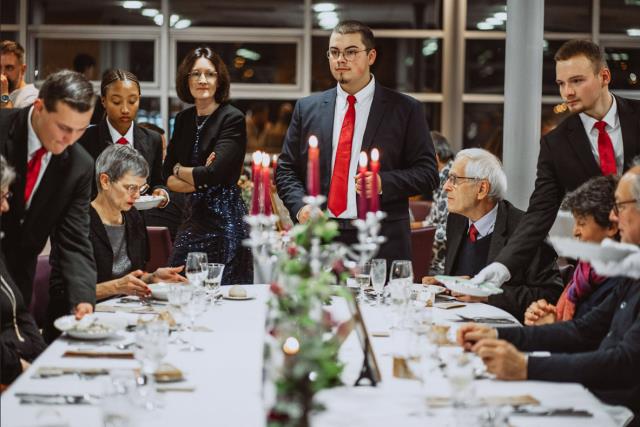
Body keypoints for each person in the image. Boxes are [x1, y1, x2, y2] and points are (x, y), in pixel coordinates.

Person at [456, 167, 640, 421]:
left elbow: (624, 363)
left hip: (617, 413)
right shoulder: (631, 271)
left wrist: (524, 367)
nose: (613, 216)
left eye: (620, 206)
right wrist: (498, 333)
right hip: (593, 396)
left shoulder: (625, 270)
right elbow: (583, 330)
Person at [473, 39, 640, 290]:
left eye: (577, 81)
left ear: (604, 76)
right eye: (561, 83)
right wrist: (502, 266)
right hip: (593, 266)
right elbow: (539, 213)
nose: (567, 92)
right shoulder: (556, 144)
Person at [276, 21, 438, 263]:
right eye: (334, 52)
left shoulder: (405, 109)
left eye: (351, 52)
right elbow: (286, 170)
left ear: (371, 56)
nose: (341, 59)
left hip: (381, 238)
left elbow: (428, 174)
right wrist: (301, 208)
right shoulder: (307, 108)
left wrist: (384, 182)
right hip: (322, 236)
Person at [0, 70, 97, 341]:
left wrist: (83, 298)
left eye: (81, 130)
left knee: (31, 357)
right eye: (64, 128)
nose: (70, 139)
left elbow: (75, 239)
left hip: (19, 279)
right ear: (39, 106)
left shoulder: (79, 165)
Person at [422, 149, 563, 320]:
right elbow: (469, 279)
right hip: (458, 321)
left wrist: (487, 295)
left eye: (454, 179)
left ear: (482, 189)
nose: (445, 187)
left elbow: (551, 294)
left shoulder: (525, 230)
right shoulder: (457, 220)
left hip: (504, 330)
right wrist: (446, 283)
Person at [163, 46, 252, 285]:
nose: (203, 80)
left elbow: (213, 173)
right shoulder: (182, 120)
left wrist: (180, 170)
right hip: (193, 218)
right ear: (187, 79)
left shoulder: (232, 118)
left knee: (224, 295)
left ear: (219, 80)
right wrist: (198, 177)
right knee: (177, 282)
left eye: (210, 74)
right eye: (196, 74)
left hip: (226, 221)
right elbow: (165, 173)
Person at [81, 145, 186, 301]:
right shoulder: (78, 223)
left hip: (126, 309)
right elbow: (64, 292)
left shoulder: (133, 217)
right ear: (105, 181)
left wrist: (151, 278)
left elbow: (130, 278)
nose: (137, 196)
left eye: (140, 188)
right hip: (86, 316)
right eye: (130, 187)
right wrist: (116, 287)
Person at [524, 176, 619, 325]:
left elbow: (591, 338)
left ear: (611, 227)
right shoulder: (585, 270)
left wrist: (552, 328)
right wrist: (547, 318)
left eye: (581, 223)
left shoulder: (621, 282)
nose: (575, 232)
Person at [77, 68, 169, 205]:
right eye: (116, 102)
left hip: (137, 221)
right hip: (95, 221)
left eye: (132, 101)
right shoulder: (85, 139)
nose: (125, 109)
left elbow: (157, 182)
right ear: (103, 101)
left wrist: (160, 192)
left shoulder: (152, 140)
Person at [0, 155, 46, 386]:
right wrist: (21, 367)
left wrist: (42, 356)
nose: (6, 207)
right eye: (1, 197)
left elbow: (21, 312)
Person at [422, 131, 455, 274]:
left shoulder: (451, 180)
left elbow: (448, 231)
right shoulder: (440, 178)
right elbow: (432, 222)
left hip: (441, 266)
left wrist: (413, 233)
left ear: (434, 158)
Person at [0, 40, 39, 109]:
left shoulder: (31, 97)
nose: (2, 74)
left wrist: (4, 94)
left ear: (23, 70)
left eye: (9, 68)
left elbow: (8, 118)